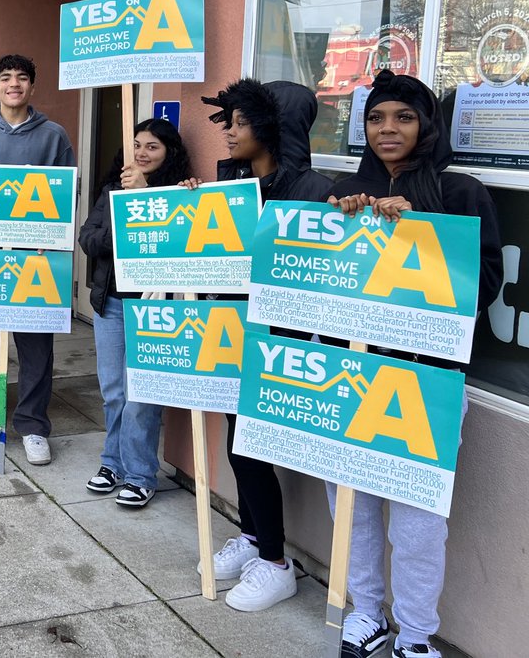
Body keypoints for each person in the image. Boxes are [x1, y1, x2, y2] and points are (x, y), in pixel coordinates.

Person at [327, 70, 502, 658]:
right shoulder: (344, 193)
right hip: (351, 373)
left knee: (418, 520)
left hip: (426, 383)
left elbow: (480, 288)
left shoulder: (461, 193)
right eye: (376, 118)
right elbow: (319, 282)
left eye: (403, 117)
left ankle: (417, 636)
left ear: (427, 124)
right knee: (352, 508)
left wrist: (421, 230)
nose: (387, 129)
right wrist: (341, 224)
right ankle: (366, 615)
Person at [197, 77, 335, 611]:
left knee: (252, 448)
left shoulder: (315, 191)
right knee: (239, 444)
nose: (229, 133)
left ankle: (277, 562)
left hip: (283, 341)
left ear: (273, 127)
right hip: (234, 333)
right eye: (227, 121)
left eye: (240, 122)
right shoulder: (231, 184)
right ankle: (256, 539)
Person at [0, 55, 75, 466]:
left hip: (35, 259)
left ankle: (34, 426)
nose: (14, 84)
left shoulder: (53, 136)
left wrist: (53, 238)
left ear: (32, 87)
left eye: (22, 77)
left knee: (36, 345)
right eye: (5, 78)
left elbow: (65, 197)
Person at [78, 119, 192, 508]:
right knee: (113, 391)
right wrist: (123, 217)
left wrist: (146, 200)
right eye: (137, 145)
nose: (142, 153)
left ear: (170, 153)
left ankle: (141, 473)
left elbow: (178, 245)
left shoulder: (181, 193)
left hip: (155, 305)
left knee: (142, 393)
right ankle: (112, 463)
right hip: (111, 302)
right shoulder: (112, 190)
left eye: (152, 147)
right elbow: (88, 239)